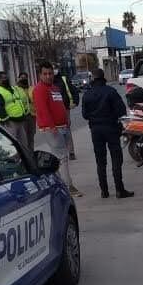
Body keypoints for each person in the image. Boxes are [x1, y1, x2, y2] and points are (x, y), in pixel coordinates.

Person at [82, 68, 134, 198]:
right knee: (116, 159)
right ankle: (119, 189)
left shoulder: (87, 94)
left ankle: (104, 191)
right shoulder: (111, 92)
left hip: (95, 130)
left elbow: (84, 115)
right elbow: (121, 110)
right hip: (111, 128)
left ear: (92, 78)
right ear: (103, 77)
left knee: (100, 161)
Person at [32, 61, 82, 197]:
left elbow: (60, 105)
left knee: (59, 157)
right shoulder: (39, 89)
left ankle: (59, 184)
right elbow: (43, 110)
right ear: (40, 75)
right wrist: (52, 126)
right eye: (45, 74)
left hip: (62, 127)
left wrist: (66, 121)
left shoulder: (54, 88)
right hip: (52, 129)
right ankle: (68, 186)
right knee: (62, 158)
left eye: (50, 73)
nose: (48, 76)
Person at [0, 71, 30, 149]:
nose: (6, 79)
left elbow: (18, 100)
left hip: (19, 120)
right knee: (12, 146)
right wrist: (6, 119)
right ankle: (15, 160)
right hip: (9, 123)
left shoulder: (12, 88)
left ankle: (24, 159)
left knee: (24, 144)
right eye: (4, 78)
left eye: (7, 77)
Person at [53, 68, 78, 160]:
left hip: (65, 108)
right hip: (54, 110)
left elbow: (73, 90)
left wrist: (75, 101)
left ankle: (71, 152)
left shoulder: (63, 79)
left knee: (66, 129)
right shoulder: (48, 81)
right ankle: (61, 152)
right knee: (56, 132)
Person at [15, 72, 36, 152]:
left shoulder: (32, 88)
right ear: (19, 79)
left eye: (25, 77)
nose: (23, 79)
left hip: (32, 115)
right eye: (22, 77)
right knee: (24, 137)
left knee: (31, 136)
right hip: (23, 116)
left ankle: (31, 152)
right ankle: (25, 153)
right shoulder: (16, 89)